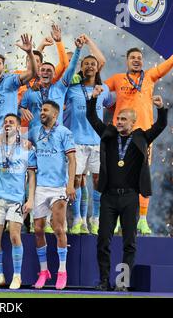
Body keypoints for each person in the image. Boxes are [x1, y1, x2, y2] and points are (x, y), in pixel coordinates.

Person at [104, 32, 173, 235]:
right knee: (117, 177)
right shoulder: (117, 79)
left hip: (143, 136)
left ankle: (143, 220)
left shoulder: (150, 77)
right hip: (119, 136)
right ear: (127, 61)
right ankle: (119, 218)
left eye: (139, 58)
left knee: (142, 176)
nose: (136, 60)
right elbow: (100, 89)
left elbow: (170, 63)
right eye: (132, 58)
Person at [86, 86, 167, 291]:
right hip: (109, 197)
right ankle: (104, 281)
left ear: (132, 122)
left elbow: (160, 125)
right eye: (118, 118)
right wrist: (93, 99)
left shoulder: (141, 137)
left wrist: (162, 109)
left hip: (131, 197)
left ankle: (122, 283)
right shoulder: (109, 135)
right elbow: (92, 118)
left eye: (123, 119)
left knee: (129, 243)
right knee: (103, 240)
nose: (119, 122)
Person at [65, 35, 111, 235]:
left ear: (97, 67)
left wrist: (89, 41)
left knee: (99, 182)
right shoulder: (72, 89)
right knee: (76, 181)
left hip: (97, 143)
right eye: (86, 64)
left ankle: (96, 218)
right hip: (77, 143)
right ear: (81, 68)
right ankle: (77, 219)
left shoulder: (104, 89)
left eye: (93, 64)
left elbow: (102, 60)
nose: (91, 66)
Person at [28, 101, 76, 290]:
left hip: (58, 188)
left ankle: (62, 271)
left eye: (45, 110)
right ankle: (44, 271)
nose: (42, 112)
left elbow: (72, 159)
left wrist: (70, 185)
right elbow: (25, 143)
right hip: (40, 187)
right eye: (41, 109)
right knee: (38, 230)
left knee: (58, 228)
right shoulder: (35, 131)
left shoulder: (64, 132)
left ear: (55, 114)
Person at [0, 114, 36, 290]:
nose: (8, 124)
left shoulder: (26, 148)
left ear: (18, 126)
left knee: (15, 236)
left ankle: (17, 276)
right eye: (5, 122)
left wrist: (30, 199)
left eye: (11, 122)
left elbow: (31, 175)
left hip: (16, 200)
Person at [20, 36, 84, 129]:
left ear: (54, 74)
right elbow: (17, 107)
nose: (45, 72)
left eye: (49, 70)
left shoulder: (58, 87)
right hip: (29, 132)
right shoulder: (24, 85)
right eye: (43, 70)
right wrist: (22, 109)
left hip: (54, 132)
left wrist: (77, 49)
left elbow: (68, 67)